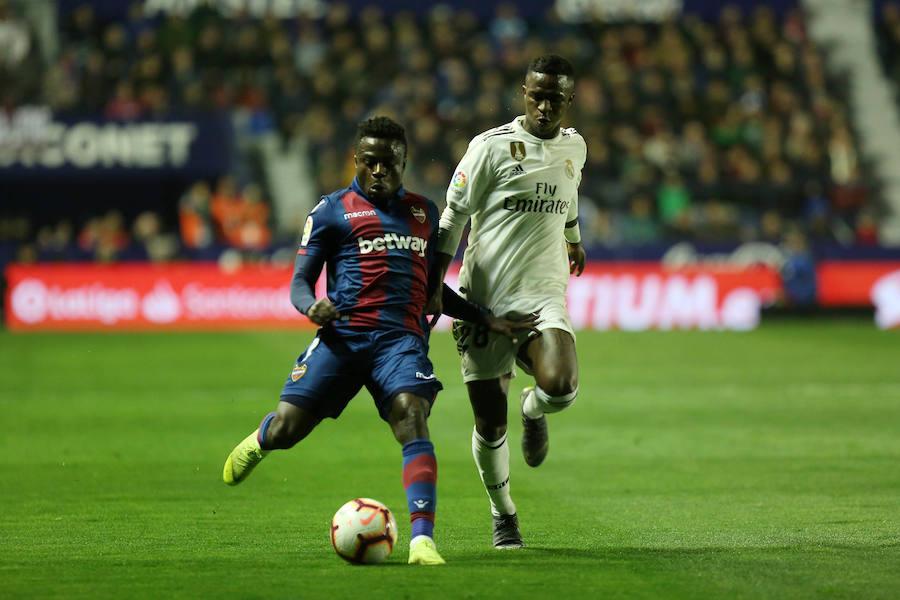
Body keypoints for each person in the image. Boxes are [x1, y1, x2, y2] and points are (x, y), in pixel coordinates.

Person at [222, 116, 536, 565]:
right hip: (343, 339)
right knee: (290, 428)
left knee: (412, 416)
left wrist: (486, 318)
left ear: (403, 161)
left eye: (389, 163)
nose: (379, 171)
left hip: (400, 343)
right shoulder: (331, 210)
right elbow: (299, 282)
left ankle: (421, 540)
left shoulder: (423, 213)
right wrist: (310, 306)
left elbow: (432, 291)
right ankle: (262, 439)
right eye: (370, 162)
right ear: (356, 160)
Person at [429, 55, 587, 548]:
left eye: (554, 99)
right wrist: (433, 285)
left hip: (541, 293)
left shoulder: (575, 147)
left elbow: (568, 200)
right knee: (489, 424)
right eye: (536, 96)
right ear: (524, 93)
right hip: (485, 299)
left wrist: (575, 239)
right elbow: (453, 217)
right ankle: (504, 514)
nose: (544, 106)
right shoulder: (490, 148)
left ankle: (534, 409)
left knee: (560, 385)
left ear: (568, 101)